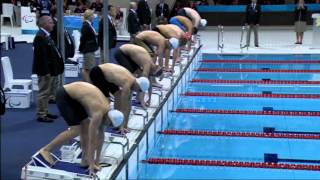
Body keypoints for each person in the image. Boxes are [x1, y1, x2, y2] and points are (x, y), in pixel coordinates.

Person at [39, 82, 124, 175]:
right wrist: (92, 164)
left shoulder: (108, 112)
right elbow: (92, 140)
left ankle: (85, 159)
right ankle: (46, 150)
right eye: (110, 125)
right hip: (65, 95)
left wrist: (97, 161)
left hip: (76, 97)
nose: (108, 126)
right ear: (109, 119)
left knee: (86, 124)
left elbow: (100, 137)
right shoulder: (98, 113)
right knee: (75, 130)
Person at [89, 63, 150, 134]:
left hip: (107, 75)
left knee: (118, 95)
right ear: (138, 85)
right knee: (106, 101)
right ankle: (102, 123)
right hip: (97, 73)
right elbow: (123, 108)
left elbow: (128, 105)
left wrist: (125, 126)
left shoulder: (132, 80)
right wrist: (122, 126)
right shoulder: (127, 84)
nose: (137, 92)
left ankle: (115, 122)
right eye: (139, 90)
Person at [32, 15, 64, 123]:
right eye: (50, 22)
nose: (53, 24)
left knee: (48, 92)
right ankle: (41, 114)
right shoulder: (40, 37)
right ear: (44, 24)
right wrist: (46, 72)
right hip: (45, 71)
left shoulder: (46, 35)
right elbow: (41, 58)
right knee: (44, 92)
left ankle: (45, 111)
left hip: (51, 69)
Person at [114, 44, 163, 108]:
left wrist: (150, 98)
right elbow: (144, 83)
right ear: (153, 72)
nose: (150, 75)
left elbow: (149, 82)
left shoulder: (151, 65)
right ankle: (124, 99)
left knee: (139, 74)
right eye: (152, 75)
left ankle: (137, 99)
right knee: (131, 77)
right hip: (121, 53)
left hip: (128, 53)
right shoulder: (147, 65)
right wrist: (142, 101)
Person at [79, 9, 99, 82]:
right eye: (92, 15)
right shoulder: (86, 25)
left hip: (90, 49)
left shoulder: (89, 25)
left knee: (87, 68)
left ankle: (86, 83)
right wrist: (82, 49)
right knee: (89, 68)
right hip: (88, 49)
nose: (94, 16)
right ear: (89, 16)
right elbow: (83, 38)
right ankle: (88, 84)